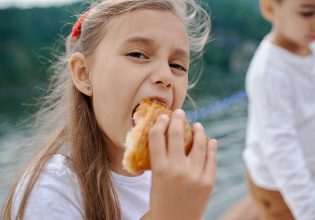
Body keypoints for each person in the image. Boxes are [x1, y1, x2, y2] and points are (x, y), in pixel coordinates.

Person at [1, 0, 217, 219]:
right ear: (84, 73)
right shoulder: (51, 191)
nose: (165, 75)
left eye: (177, 65)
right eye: (138, 54)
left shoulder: (170, 173)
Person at [243, 0, 315, 219]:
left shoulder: (309, 47)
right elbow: (281, 150)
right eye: (307, 13)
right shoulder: (268, 72)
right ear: (270, 8)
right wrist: (308, 210)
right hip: (279, 188)